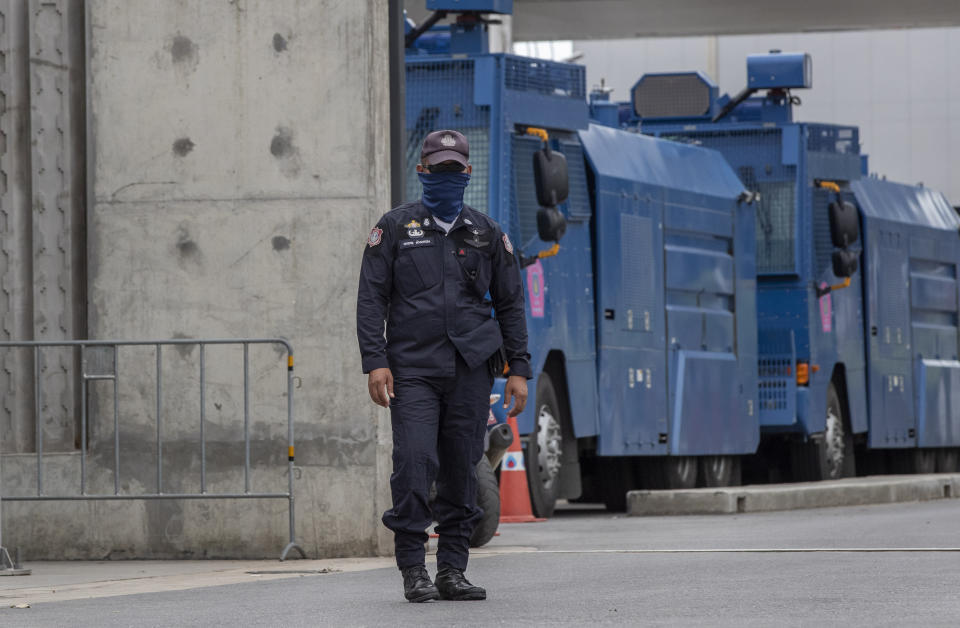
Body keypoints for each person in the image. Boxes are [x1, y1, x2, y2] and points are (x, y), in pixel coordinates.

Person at [357, 129, 531, 602]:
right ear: (423, 171)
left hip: (471, 367)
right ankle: (414, 570)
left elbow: (512, 303)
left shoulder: (487, 233)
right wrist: (375, 360)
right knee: (414, 463)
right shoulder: (395, 228)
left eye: (455, 170)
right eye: (439, 170)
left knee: (460, 468)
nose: (447, 177)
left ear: (467, 174)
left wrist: (519, 368)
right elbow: (371, 298)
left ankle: (452, 569)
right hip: (411, 367)